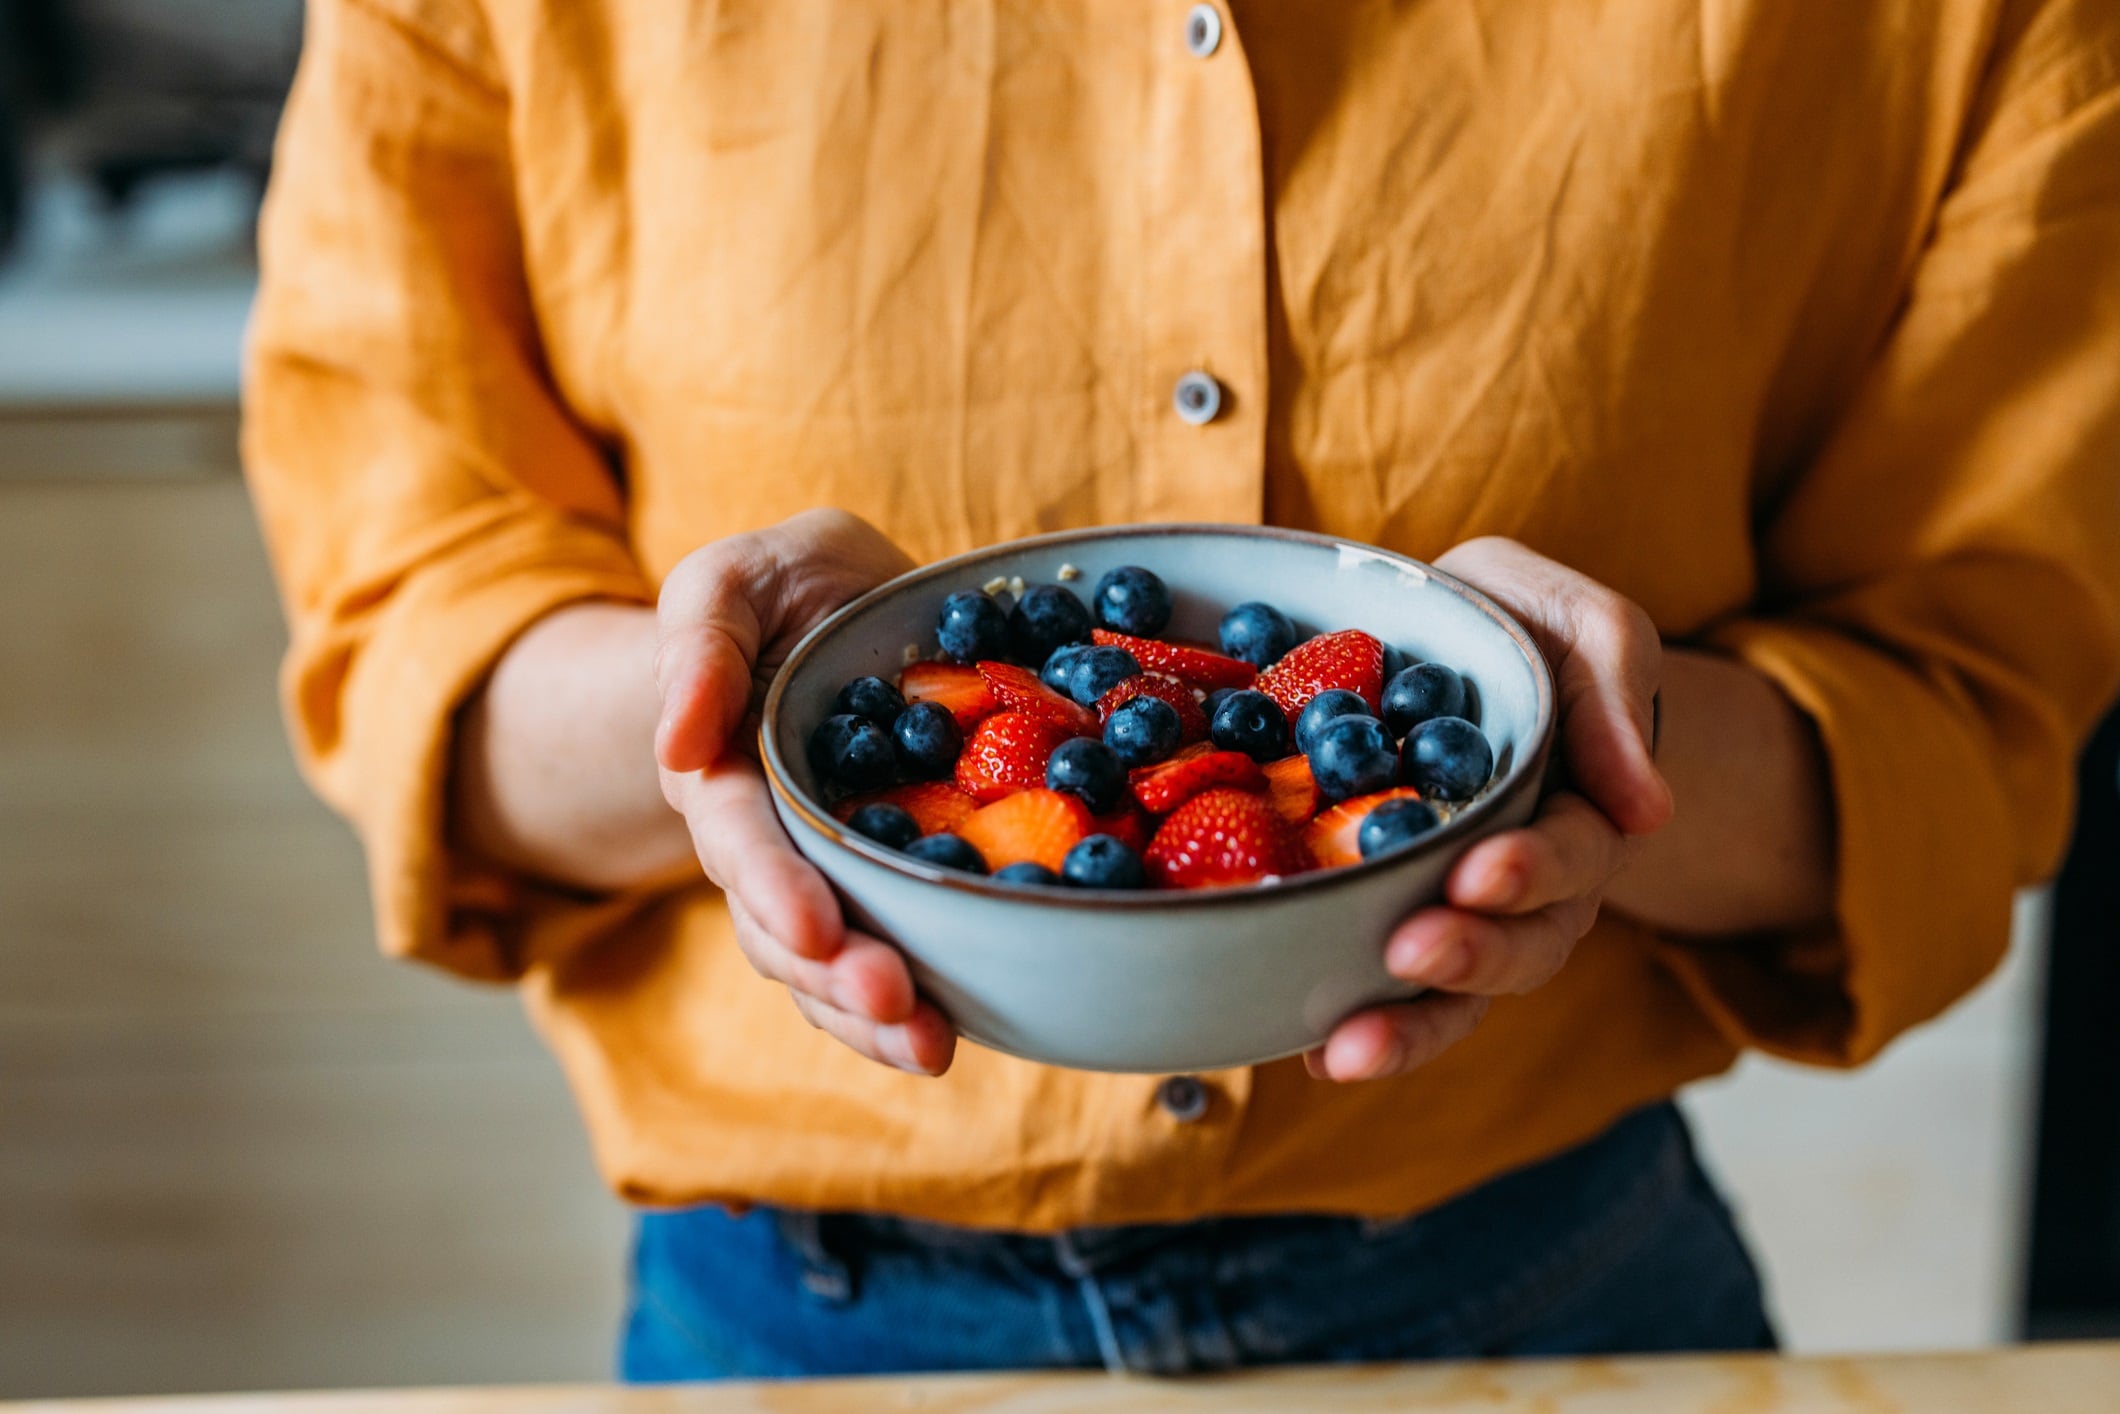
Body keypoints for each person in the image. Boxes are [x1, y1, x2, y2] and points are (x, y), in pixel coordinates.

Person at [242, 0, 2120, 1379]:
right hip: (796, 1319)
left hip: (1546, 1288)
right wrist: (717, 714)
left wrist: (1570, 753)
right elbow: (415, 650)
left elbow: (1962, 712)